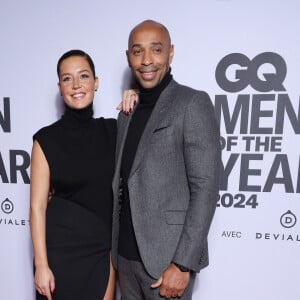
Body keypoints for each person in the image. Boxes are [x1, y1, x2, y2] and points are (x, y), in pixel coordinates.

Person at [111, 20, 221, 299]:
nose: (147, 60)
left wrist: (183, 264)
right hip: (124, 259)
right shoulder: (126, 111)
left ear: (170, 53)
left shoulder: (192, 103)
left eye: (156, 50)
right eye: (137, 51)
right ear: (128, 57)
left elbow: (205, 189)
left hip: (167, 263)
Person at [30, 49, 137, 300]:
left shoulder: (114, 130)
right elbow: (37, 208)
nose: (76, 85)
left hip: (101, 250)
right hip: (59, 252)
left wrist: (137, 97)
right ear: (59, 86)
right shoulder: (45, 139)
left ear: (96, 82)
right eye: (67, 78)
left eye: (84, 76)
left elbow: (152, 129)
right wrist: (41, 265)